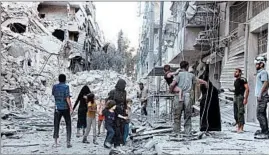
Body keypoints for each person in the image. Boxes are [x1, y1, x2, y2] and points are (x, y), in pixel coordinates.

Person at [169, 61, 208, 135]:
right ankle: (187, 132)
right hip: (187, 96)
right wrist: (205, 82)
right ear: (187, 66)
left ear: (181, 67)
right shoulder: (191, 75)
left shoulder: (178, 75)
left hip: (178, 96)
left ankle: (176, 132)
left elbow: (172, 85)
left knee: (177, 116)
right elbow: (198, 81)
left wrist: (171, 91)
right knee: (187, 116)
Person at [199, 64, 221, 132]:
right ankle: (206, 126)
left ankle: (207, 126)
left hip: (208, 100)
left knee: (207, 113)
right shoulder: (205, 82)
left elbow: (209, 89)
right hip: (206, 99)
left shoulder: (207, 83)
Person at [52, 74, 73, 148]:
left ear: (59, 79)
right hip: (65, 108)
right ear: (65, 79)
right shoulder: (66, 87)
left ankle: (55, 142)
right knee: (68, 124)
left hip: (57, 108)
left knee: (56, 124)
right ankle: (68, 142)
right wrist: (70, 107)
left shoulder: (54, 86)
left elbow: (53, 95)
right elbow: (67, 97)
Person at [106, 79, 127, 147]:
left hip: (121, 112)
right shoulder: (113, 92)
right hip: (114, 112)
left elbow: (125, 102)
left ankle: (117, 142)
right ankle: (108, 142)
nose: (124, 86)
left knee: (120, 128)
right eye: (123, 84)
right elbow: (108, 102)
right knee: (114, 127)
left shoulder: (124, 92)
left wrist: (125, 111)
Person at [228, 68, 249, 133]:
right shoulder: (236, 80)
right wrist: (232, 90)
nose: (235, 73)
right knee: (235, 112)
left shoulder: (242, 79)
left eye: (236, 72)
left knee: (240, 112)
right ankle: (237, 126)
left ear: (240, 73)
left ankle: (241, 128)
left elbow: (247, 89)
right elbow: (238, 89)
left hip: (240, 97)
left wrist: (245, 98)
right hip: (235, 96)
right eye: (235, 72)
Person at [254, 56, 269, 139]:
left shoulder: (263, 72)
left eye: (257, 64)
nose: (256, 65)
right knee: (262, 114)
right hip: (261, 96)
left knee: (259, 114)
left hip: (262, 96)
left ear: (261, 64)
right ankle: (264, 130)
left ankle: (265, 132)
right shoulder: (260, 73)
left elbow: (265, 83)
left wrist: (260, 94)